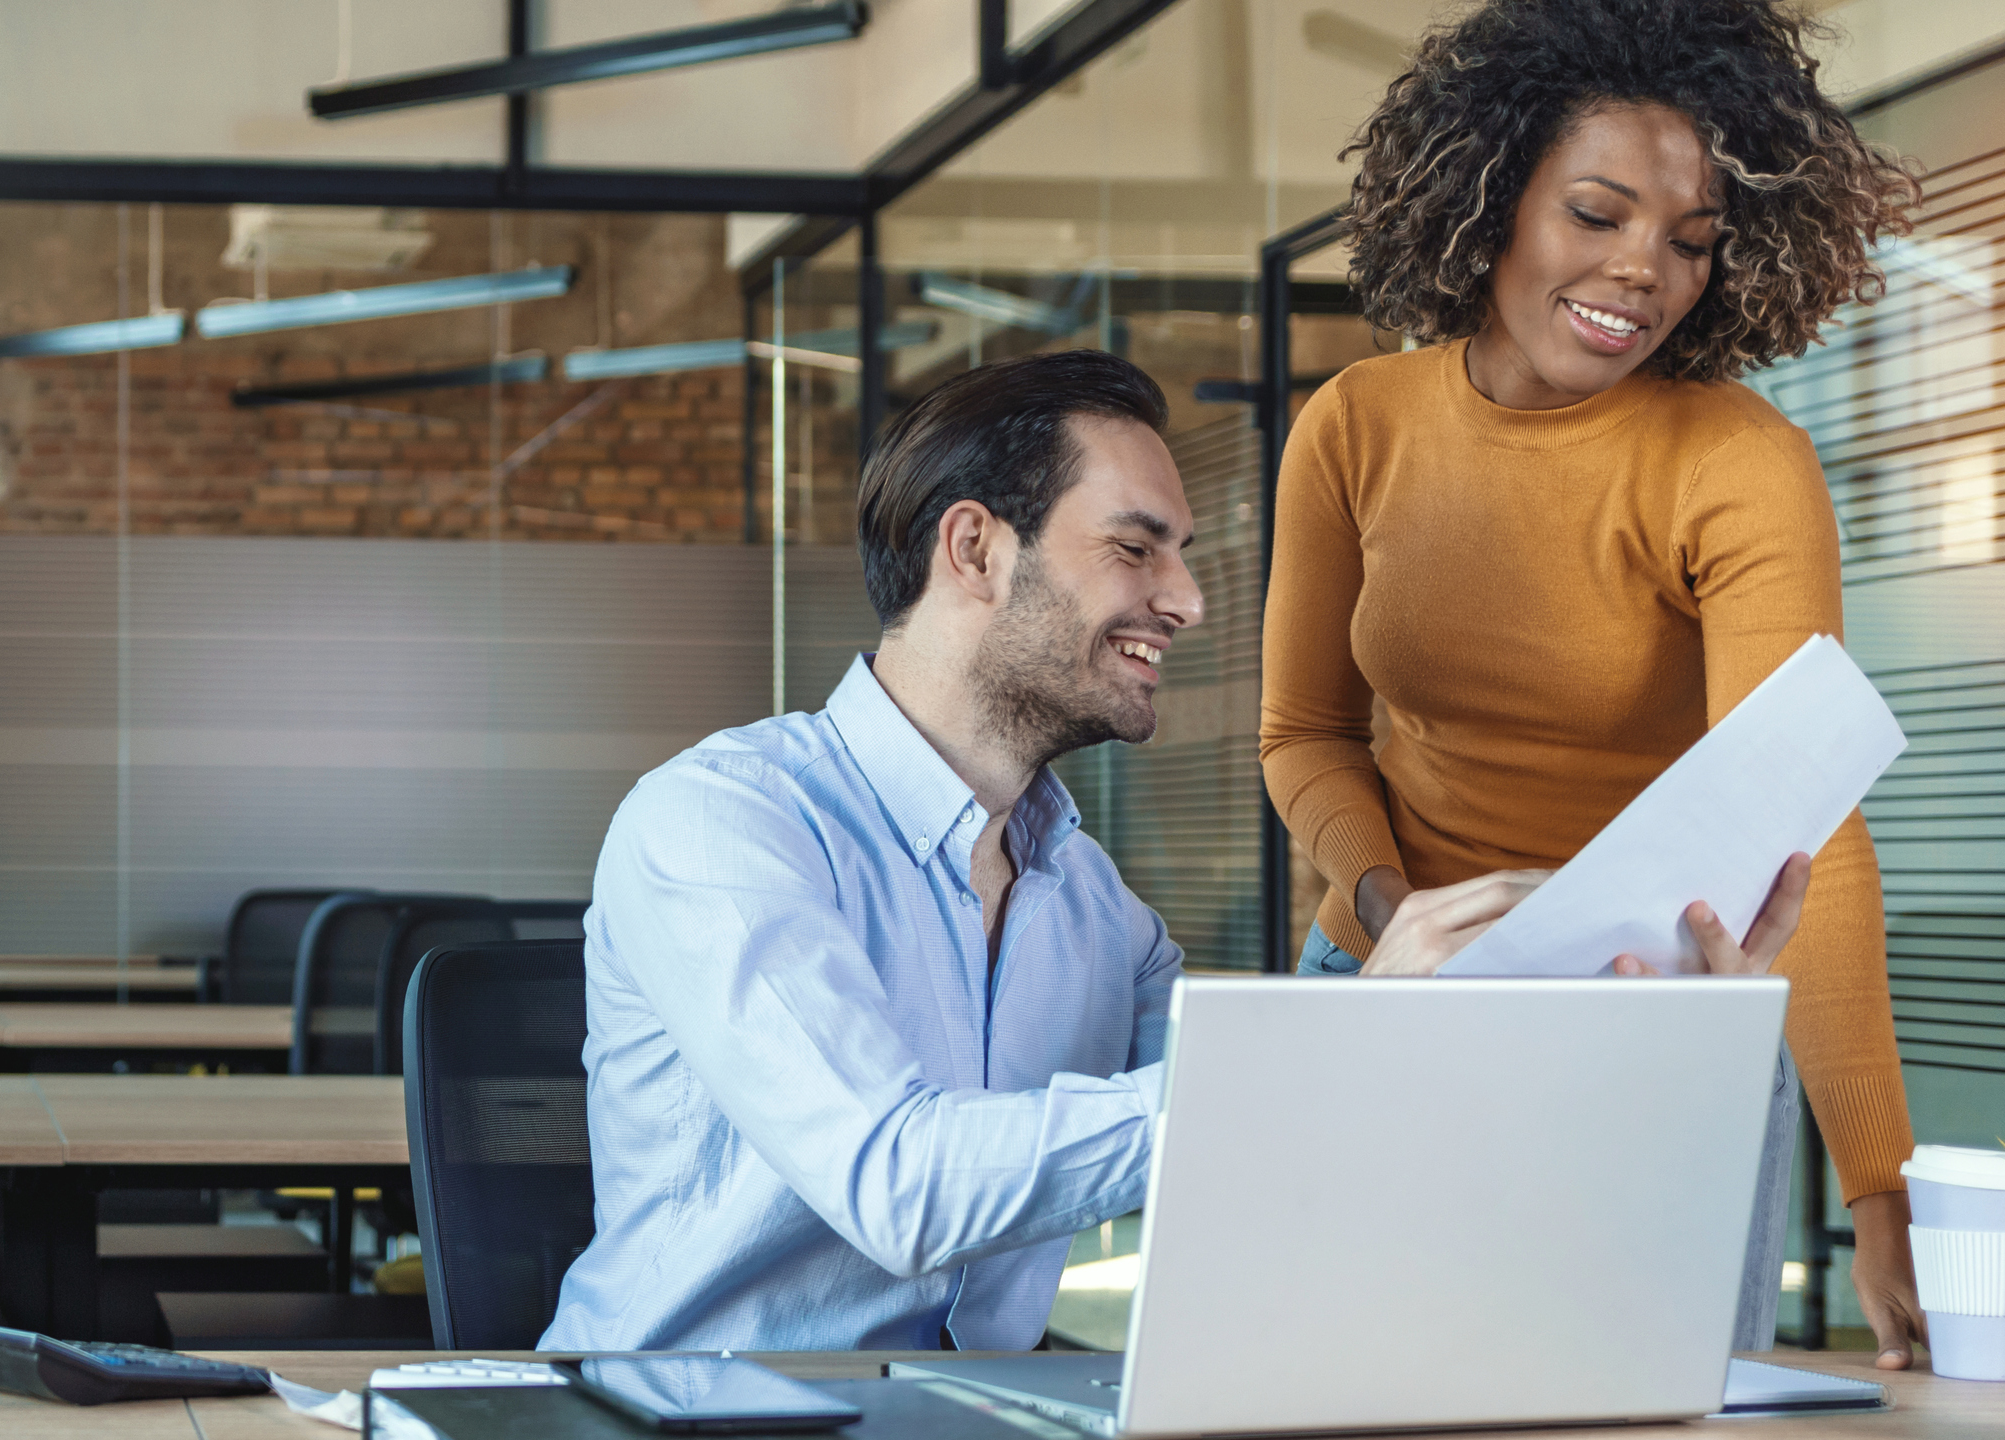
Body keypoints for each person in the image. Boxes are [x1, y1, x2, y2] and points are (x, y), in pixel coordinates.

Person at [542, 349, 1781, 1354]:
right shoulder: (720, 825)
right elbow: (896, 1184)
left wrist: (1639, 1021)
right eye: (1135, 549)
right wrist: (1347, 1032)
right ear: (973, 550)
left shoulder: (1088, 905)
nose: (1186, 600)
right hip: (674, 1415)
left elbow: (1295, 1148)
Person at [1262, 0, 2005, 1376]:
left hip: (1646, 1008)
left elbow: (1802, 823)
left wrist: (1879, 1201)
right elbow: (1302, 735)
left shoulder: (1732, 460)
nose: (1642, 269)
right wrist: (1401, 913)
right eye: (1595, 213)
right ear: (1488, 196)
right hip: (1387, 980)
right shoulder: (1354, 425)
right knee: (1336, 1382)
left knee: (1650, 1397)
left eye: (1688, 241)